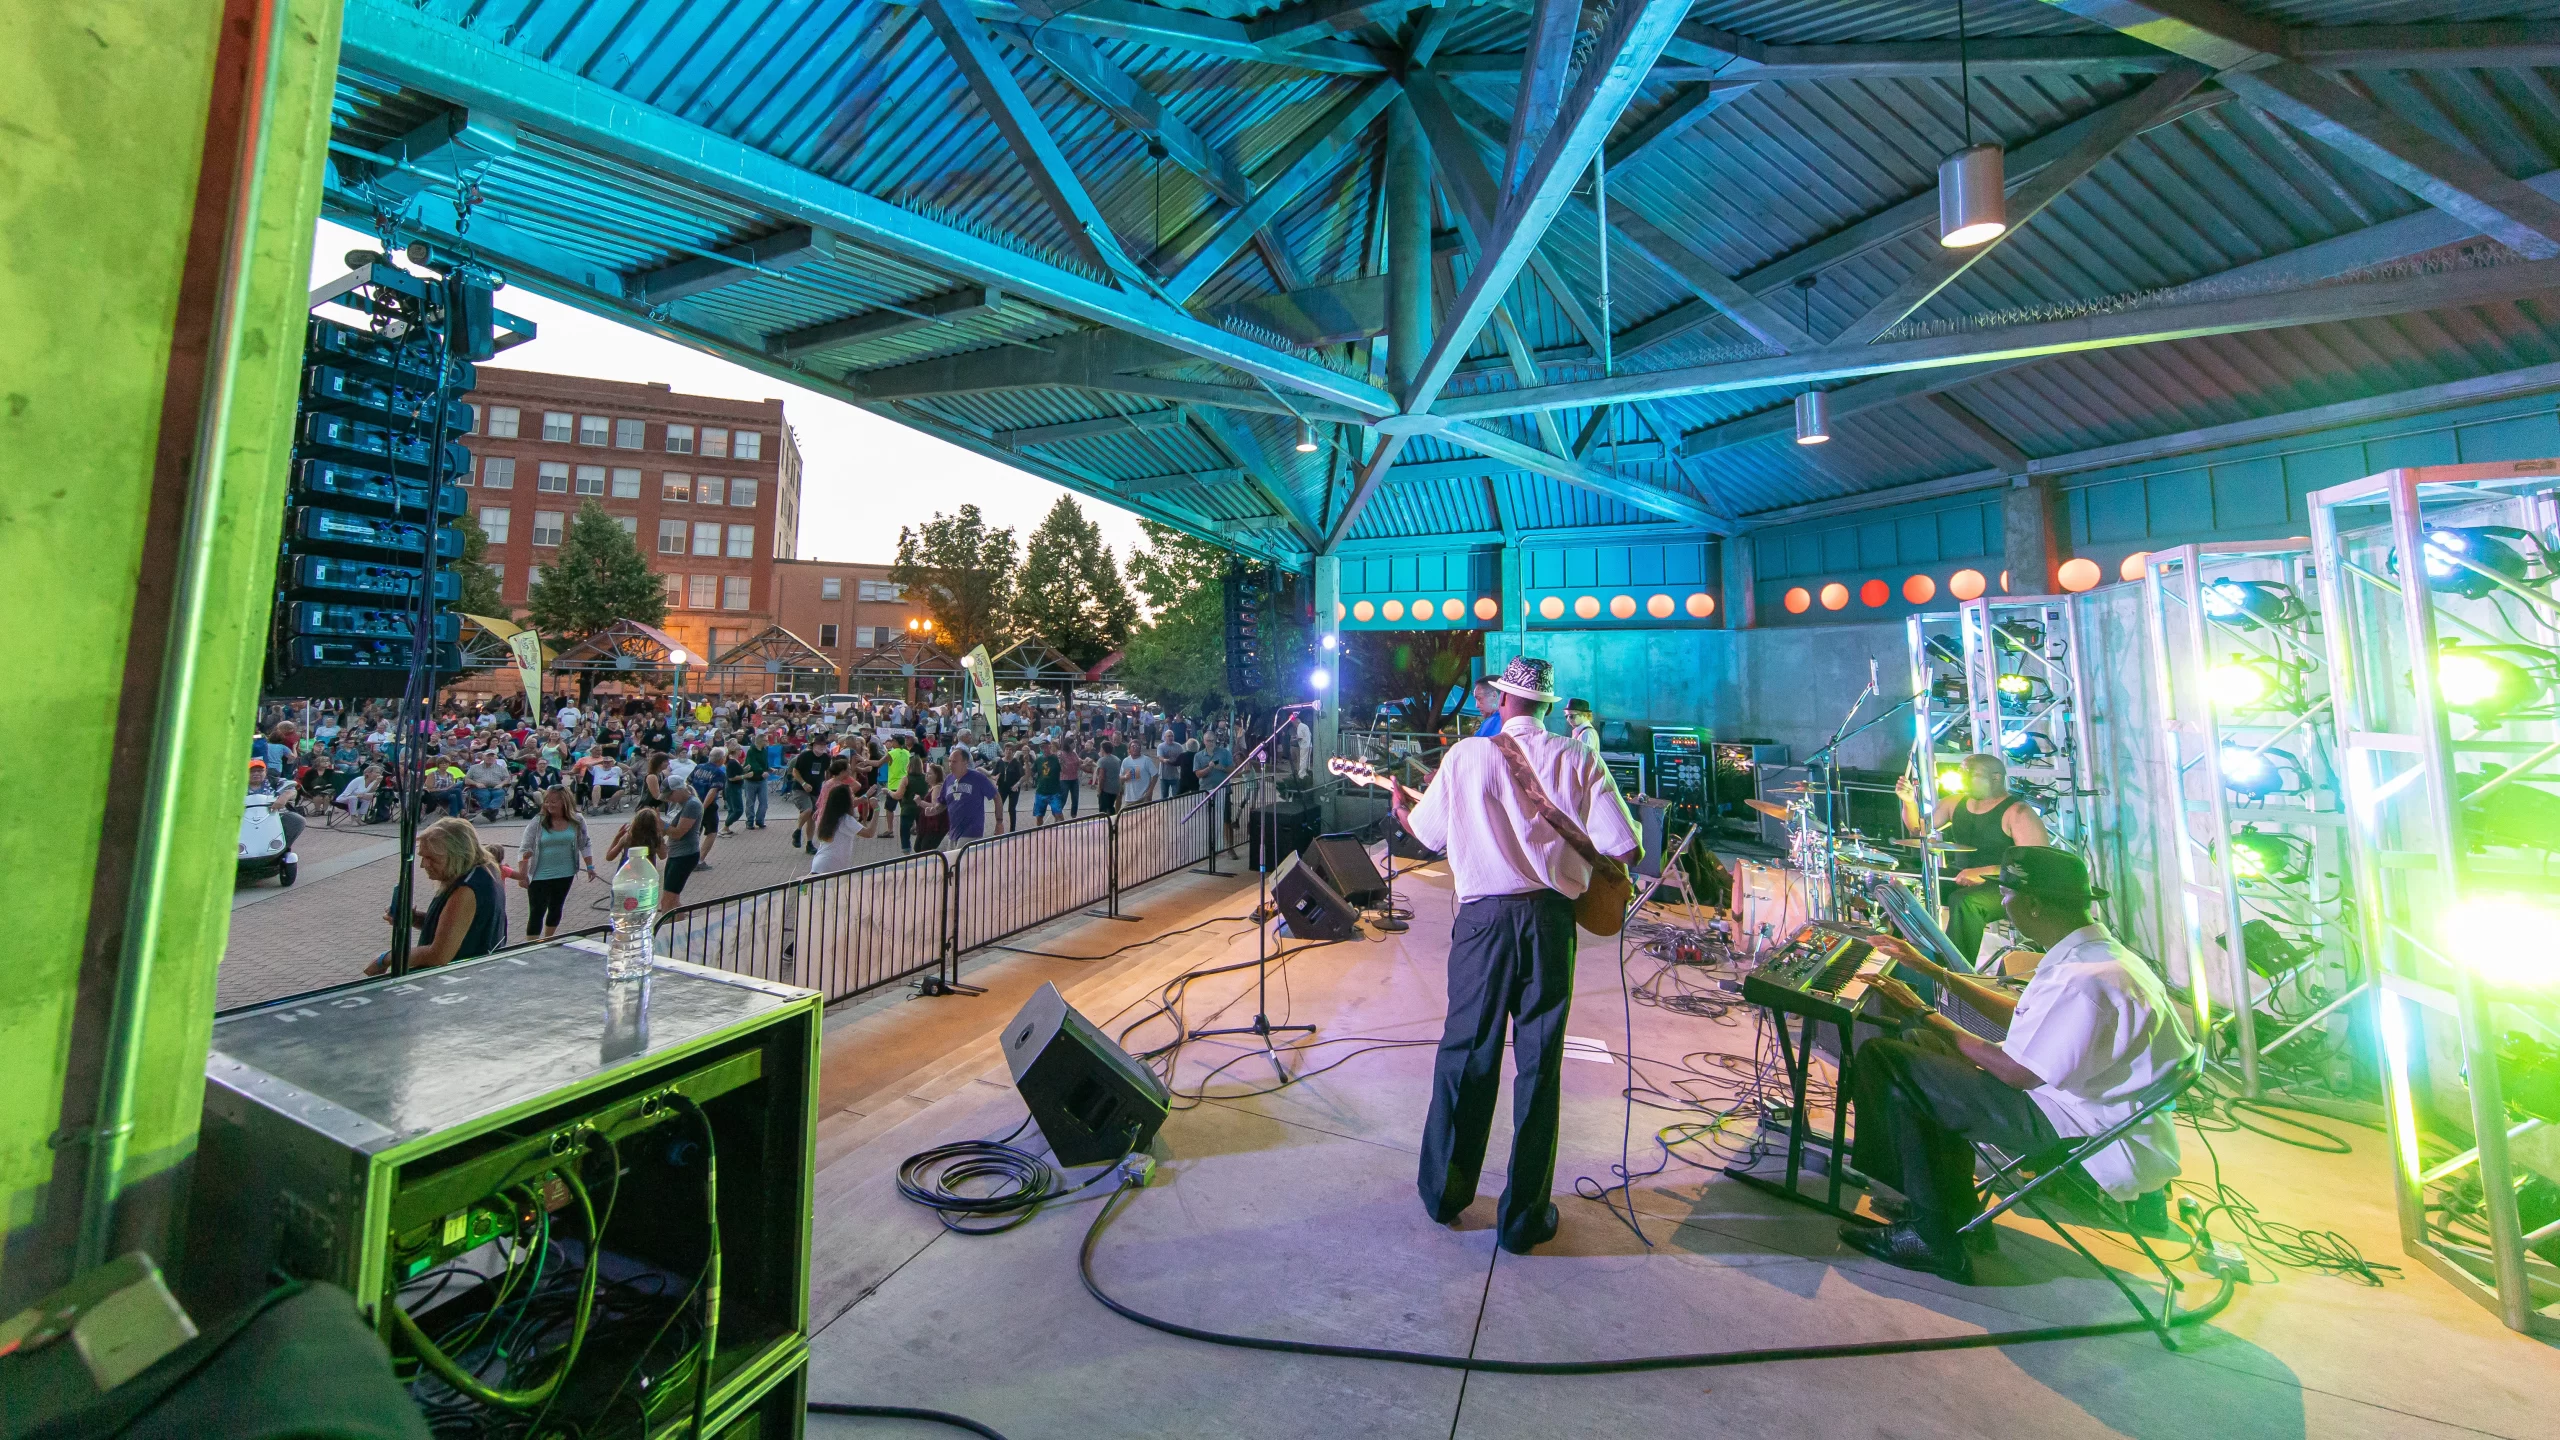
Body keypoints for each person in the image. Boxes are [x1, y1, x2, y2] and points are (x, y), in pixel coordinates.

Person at [1842, 848, 2194, 1283]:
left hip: (2082, 1129)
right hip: (2080, 1105)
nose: (2002, 903)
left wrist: (1923, 1011)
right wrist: (1933, 971)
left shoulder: (2087, 980)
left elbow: (2016, 1072)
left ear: (2033, 905)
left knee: (1888, 1060)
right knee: (1921, 1049)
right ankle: (1951, 1210)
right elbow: (2025, 1019)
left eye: (2005, 894)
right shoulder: (2096, 955)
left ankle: (1933, 1235)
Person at [1391, 657, 1640, 1254]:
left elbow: (1425, 835)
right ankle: (1524, 1218)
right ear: (1549, 706)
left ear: (1501, 701)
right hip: (1551, 923)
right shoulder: (1579, 756)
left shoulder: (1466, 756)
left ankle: (1446, 1196)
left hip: (1483, 924)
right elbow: (1624, 848)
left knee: (1466, 1055)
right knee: (1539, 1065)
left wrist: (1401, 805)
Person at [1896, 752, 2051, 961]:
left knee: (1965, 902)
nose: (1963, 778)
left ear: (1995, 778)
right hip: (1962, 875)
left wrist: (1986, 871)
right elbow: (1918, 830)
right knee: (1901, 883)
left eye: (1970, 773)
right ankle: (1901, 953)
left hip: (2006, 885)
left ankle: (1954, 972)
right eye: (1961, 772)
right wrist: (1908, 802)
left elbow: (2036, 862)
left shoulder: (2018, 812)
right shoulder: (1954, 802)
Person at [366, 817, 507, 975]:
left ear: (457, 854)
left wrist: (385, 958)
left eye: (431, 858)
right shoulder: (485, 871)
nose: (423, 865)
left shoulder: (466, 890)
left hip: (459, 984)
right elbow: (458, 927)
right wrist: (413, 918)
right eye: (422, 857)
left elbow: (439, 955)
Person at [517, 786, 597, 941]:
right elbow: (525, 848)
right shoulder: (538, 822)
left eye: (554, 802)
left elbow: (585, 843)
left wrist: (590, 866)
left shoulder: (577, 820)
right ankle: (531, 946)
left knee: (556, 907)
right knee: (537, 911)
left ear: (565, 802)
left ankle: (548, 940)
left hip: (565, 872)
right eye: (547, 801)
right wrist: (522, 874)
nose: (549, 805)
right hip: (539, 874)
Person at [940, 747, 1001, 848]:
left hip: (971, 832)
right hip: (953, 832)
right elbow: (941, 803)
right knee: (952, 862)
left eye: (954, 761)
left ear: (965, 762)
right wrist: (932, 809)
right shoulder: (949, 779)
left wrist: (999, 821)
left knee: (962, 861)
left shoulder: (978, 778)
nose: (950, 764)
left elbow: (996, 796)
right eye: (949, 761)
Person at [660, 782, 704, 909]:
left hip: (685, 855)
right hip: (675, 853)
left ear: (678, 790)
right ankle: (680, 927)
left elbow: (678, 833)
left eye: (670, 795)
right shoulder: (675, 803)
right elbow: (668, 827)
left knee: (667, 902)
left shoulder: (692, 804)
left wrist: (661, 823)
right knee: (672, 900)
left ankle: (668, 928)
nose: (668, 799)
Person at [808, 784, 859, 875]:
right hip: (831, 866)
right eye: (851, 795)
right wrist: (876, 809)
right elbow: (869, 833)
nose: (853, 797)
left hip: (820, 864)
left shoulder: (828, 816)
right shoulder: (846, 819)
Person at [788, 739, 829, 849]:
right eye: (820, 744)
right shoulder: (805, 756)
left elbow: (827, 772)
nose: (822, 747)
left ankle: (809, 843)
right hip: (800, 789)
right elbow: (795, 771)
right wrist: (804, 783)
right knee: (808, 809)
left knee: (813, 817)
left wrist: (827, 785)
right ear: (814, 745)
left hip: (816, 790)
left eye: (824, 745)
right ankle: (797, 831)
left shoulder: (826, 758)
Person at [1029, 741, 1066, 826]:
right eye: (1042, 747)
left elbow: (1064, 771)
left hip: (1054, 792)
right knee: (1039, 817)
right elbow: (1031, 773)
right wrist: (1027, 763)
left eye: (1046, 747)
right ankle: (1039, 833)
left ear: (1050, 747)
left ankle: (1062, 832)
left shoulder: (1056, 758)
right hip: (1041, 791)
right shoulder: (1039, 760)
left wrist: (1062, 762)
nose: (1044, 749)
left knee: (1059, 815)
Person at [743, 731, 773, 831]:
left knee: (764, 802)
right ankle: (750, 821)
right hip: (751, 780)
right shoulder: (751, 751)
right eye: (765, 740)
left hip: (762, 780)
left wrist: (768, 768)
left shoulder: (764, 750)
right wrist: (761, 771)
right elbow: (752, 764)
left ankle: (760, 820)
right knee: (750, 802)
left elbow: (765, 762)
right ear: (760, 741)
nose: (767, 742)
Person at [994, 744, 1025, 832]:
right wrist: (994, 778)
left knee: (1011, 809)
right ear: (1004, 751)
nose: (1008, 751)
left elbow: (1023, 776)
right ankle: (999, 826)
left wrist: (1017, 784)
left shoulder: (1016, 762)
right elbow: (994, 774)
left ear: (1013, 752)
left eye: (1010, 750)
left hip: (1013, 788)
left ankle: (1012, 830)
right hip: (1002, 788)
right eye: (1007, 749)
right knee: (998, 808)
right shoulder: (1000, 762)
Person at [1119, 742, 1160, 807]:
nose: (1135, 748)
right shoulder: (1125, 761)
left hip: (1143, 797)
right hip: (1129, 798)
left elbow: (1155, 775)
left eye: (1137, 747)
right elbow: (1120, 777)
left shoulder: (1146, 760)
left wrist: (1150, 791)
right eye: (1133, 746)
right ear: (1129, 749)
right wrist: (1125, 777)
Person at [1095, 741, 1123, 815]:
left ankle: (1104, 824)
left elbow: (1101, 777)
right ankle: (1113, 822)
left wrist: (1099, 789)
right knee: (1111, 806)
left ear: (1103, 749)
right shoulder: (1117, 759)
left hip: (1106, 788)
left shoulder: (1102, 761)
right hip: (1115, 787)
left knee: (1103, 809)